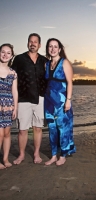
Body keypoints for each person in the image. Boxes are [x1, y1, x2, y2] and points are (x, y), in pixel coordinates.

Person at [11, 33, 48, 164]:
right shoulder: (19, 59)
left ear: (39, 45)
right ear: (28, 43)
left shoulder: (44, 61)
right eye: (30, 41)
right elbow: (12, 77)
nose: (33, 44)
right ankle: (21, 155)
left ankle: (36, 154)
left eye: (35, 42)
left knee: (38, 128)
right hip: (23, 98)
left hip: (40, 98)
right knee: (22, 130)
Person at [44, 38, 76, 166]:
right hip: (49, 102)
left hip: (62, 101)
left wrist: (68, 100)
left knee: (63, 128)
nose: (52, 49)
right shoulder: (46, 64)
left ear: (60, 49)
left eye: (55, 46)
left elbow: (69, 82)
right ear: (47, 49)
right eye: (50, 46)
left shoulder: (64, 63)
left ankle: (63, 155)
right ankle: (53, 156)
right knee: (52, 128)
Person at [0, 44, 18, 169]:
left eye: (8, 53)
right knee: (0, 134)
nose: (5, 55)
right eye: (3, 52)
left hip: (8, 106)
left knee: (7, 133)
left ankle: (5, 159)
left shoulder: (13, 73)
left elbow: (15, 91)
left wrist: (15, 108)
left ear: (11, 56)